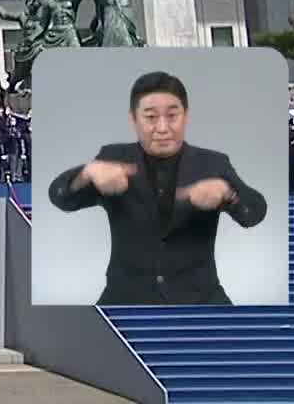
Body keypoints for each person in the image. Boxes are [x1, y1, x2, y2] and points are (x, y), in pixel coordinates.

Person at [47, 70, 269, 305]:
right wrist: (86, 174)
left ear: (186, 116)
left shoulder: (212, 163)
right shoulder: (113, 158)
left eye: (172, 116)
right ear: (133, 119)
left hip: (200, 298)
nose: (162, 128)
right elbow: (61, 197)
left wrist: (228, 194)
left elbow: (254, 214)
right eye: (151, 117)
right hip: (126, 299)